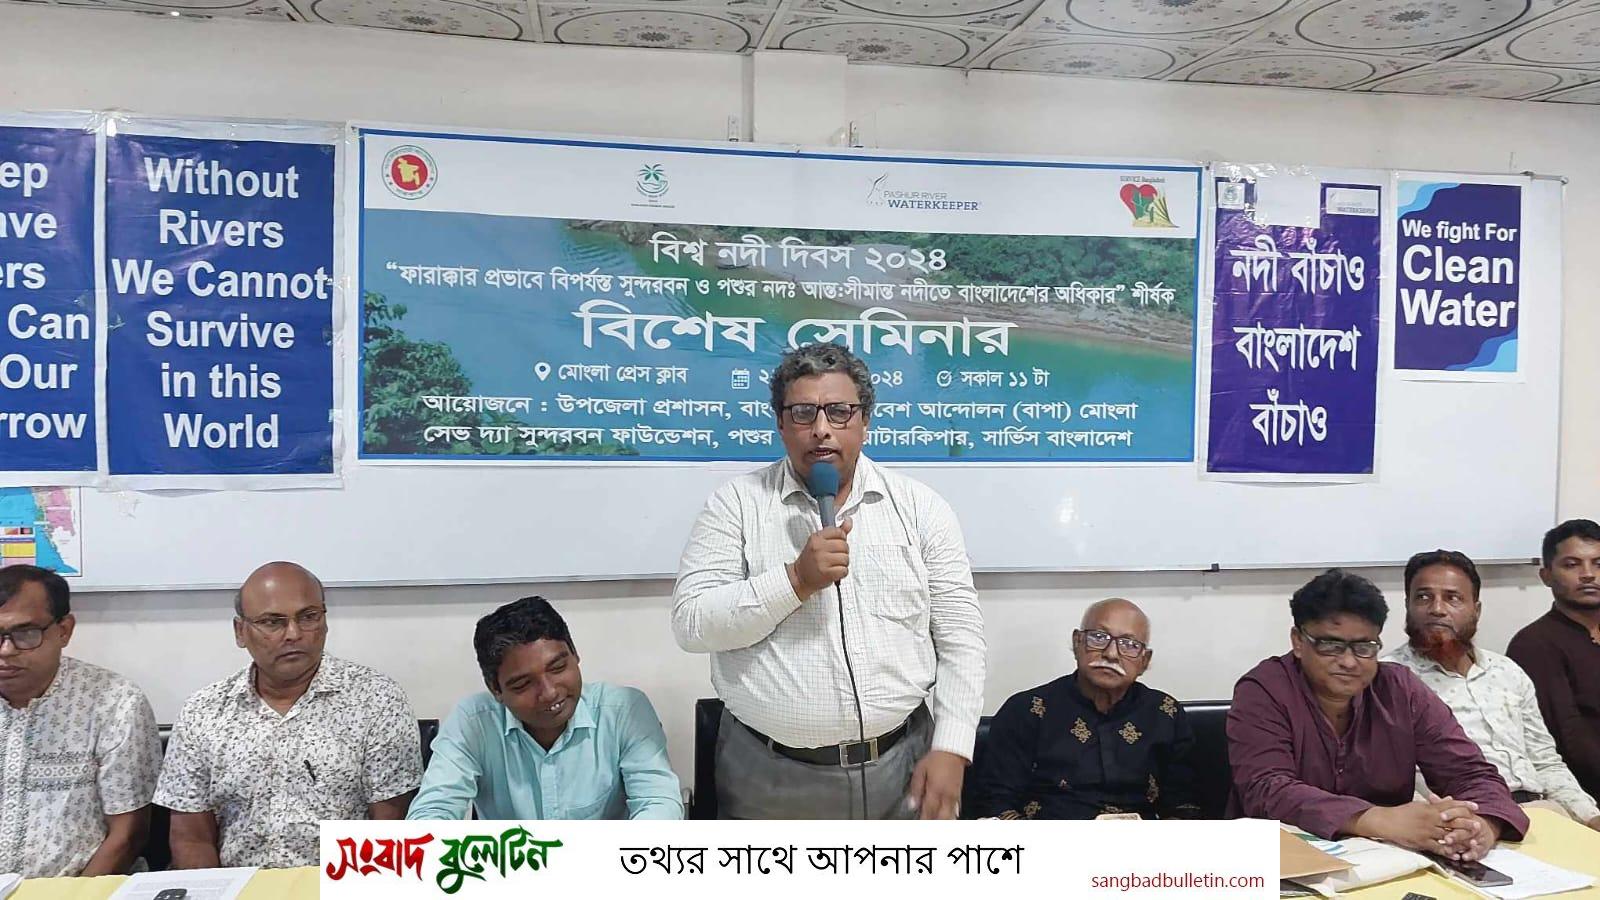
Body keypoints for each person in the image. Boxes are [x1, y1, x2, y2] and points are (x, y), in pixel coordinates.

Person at [672, 342, 985, 819]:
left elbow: (961, 637)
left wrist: (953, 746)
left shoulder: (921, 508)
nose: (821, 428)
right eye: (803, 413)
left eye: (839, 411)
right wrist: (796, 580)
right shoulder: (735, 504)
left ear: (865, 420)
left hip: (902, 763)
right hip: (768, 773)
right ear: (780, 423)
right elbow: (693, 625)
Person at [1228, 568, 1527, 860]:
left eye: (1364, 647)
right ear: (1298, 641)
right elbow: (1266, 789)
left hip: (1388, 860)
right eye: (1331, 645)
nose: (1349, 662)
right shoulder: (1264, 689)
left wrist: (1480, 827)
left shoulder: (1400, 689)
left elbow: (1470, 773)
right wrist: (1379, 820)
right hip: (1279, 861)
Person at [155, 561, 422, 868]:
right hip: (240, 885)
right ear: (240, 632)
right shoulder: (203, 712)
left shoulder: (377, 700)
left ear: (325, 621)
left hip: (337, 884)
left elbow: (390, 830)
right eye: (273, 622)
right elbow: (191, 839)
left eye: (308, 617)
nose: (294, 634)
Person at [408, 595, 681, 820]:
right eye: (523, 684)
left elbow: (659, 805)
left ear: (575, 654)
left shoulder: (624, 710)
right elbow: (432, 810)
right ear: (496, 690)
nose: (549, 693)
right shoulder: (473, 721)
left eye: (558, 668)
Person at [1387, 549, 1599, 826]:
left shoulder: (1506, 671)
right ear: (1408, 606)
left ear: (1476, 610)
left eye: (1452, 598)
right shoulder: (1389, 679)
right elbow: (1395, 781)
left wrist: (1591, 817)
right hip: (1464, 819)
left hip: (1541, 812)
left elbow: (1545, 761)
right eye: (1423, 597)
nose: (1437, 608)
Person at [971, 598, 1198, 820]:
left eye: (1129, 644)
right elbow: (995, 804)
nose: (1111, 654)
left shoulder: (1165, 713)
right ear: (1077, 642)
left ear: (1144, 661)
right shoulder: (1026, 711)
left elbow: (1184, 806)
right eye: (1098, 637)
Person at [0, 565, 161, 876]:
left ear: (64, 630)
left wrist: (75, 895)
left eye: (25, 633)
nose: (6, 650)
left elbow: (128, 835)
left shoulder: (115, 703)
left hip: (84, 888)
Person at [1508, 519, 1600, 800]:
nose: (1588, 575)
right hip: (1582, 794)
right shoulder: (1534, 644)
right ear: (1546, 575)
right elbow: (1568, 739)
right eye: (1572, 565)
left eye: (1598, 564)